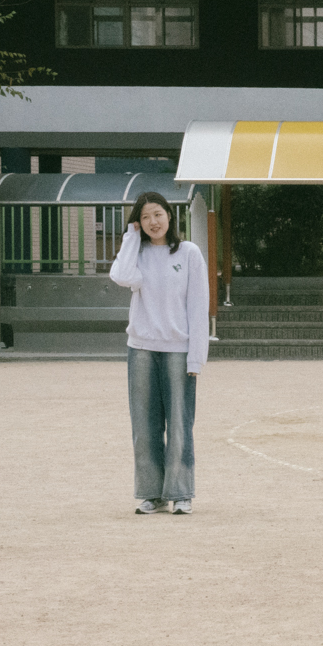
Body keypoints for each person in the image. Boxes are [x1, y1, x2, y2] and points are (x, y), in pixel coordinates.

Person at [109, 192, 208, 515]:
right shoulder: (136, 254)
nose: (153, 222)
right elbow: (122, 276)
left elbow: (198, 306)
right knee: (144, 426)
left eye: (158, 214)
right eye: (145, 217)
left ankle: (181, 492)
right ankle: (152, 493)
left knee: (179, 423)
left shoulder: (189, 252)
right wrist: (131, 236)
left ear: (169, 215)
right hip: (141, 349)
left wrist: (196, 357)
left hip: (178, 350)